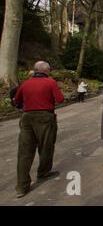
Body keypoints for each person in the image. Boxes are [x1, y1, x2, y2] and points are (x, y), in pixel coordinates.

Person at [13, 61, 64, 198]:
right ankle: (43, 173)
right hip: (45, 117)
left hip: (27, 117)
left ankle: (22, 186)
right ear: (46, 70)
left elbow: (16, 100)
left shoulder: (25, 83)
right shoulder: (50, 82)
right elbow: (60, 99)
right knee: (46, 147)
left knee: (24, 152)